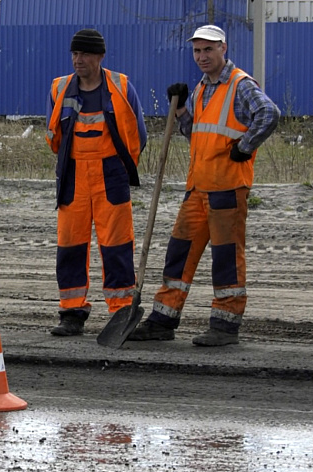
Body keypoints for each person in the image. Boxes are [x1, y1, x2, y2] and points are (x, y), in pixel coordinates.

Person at [128, 25, 280, 346]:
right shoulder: (201, 88)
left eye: (208, 50)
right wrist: (181, 108)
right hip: (197, 189)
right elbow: (193, 132)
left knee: (226, 257)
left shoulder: (240, 85)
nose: (202, 56)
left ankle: (225, 326)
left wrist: (246, 146)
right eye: (197, 51)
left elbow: (269, 113)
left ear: (223, 48)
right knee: (179, 253)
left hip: (227, 187)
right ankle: (163, 320)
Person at [45, 29, 147, 336]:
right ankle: (72, 312)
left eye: (85, 54)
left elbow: (137, 136)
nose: (79, 60)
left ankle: (121, 311)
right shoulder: (59, 88)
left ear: (100, 57)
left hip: (110, 174)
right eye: (75, 54)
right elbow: (54, 136)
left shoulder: (121, 86)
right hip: (74, 175)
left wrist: (118, 168)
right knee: (70, 244)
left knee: (116, 244)